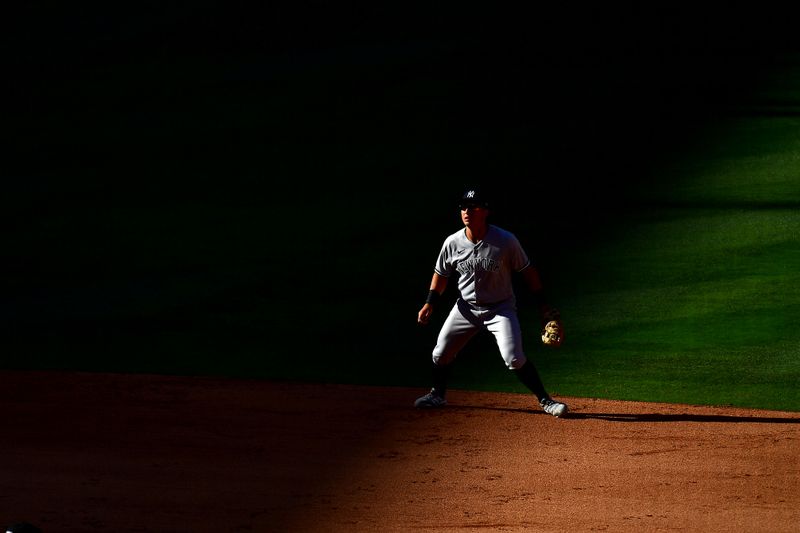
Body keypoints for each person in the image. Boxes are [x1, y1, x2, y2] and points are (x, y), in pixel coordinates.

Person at [415, 186, 568, 417]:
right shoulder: (452, 242)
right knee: (440, 353)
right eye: (463, 207)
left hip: (500, 309)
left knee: (514, 358)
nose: (467, 211)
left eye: (473, 207)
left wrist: (543, 305)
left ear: (485, 211)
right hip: (465, 309)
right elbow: (441, 275)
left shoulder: (505, 241)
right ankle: (437, 394)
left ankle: (546, 400)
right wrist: (429, 302)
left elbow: (528, 272)